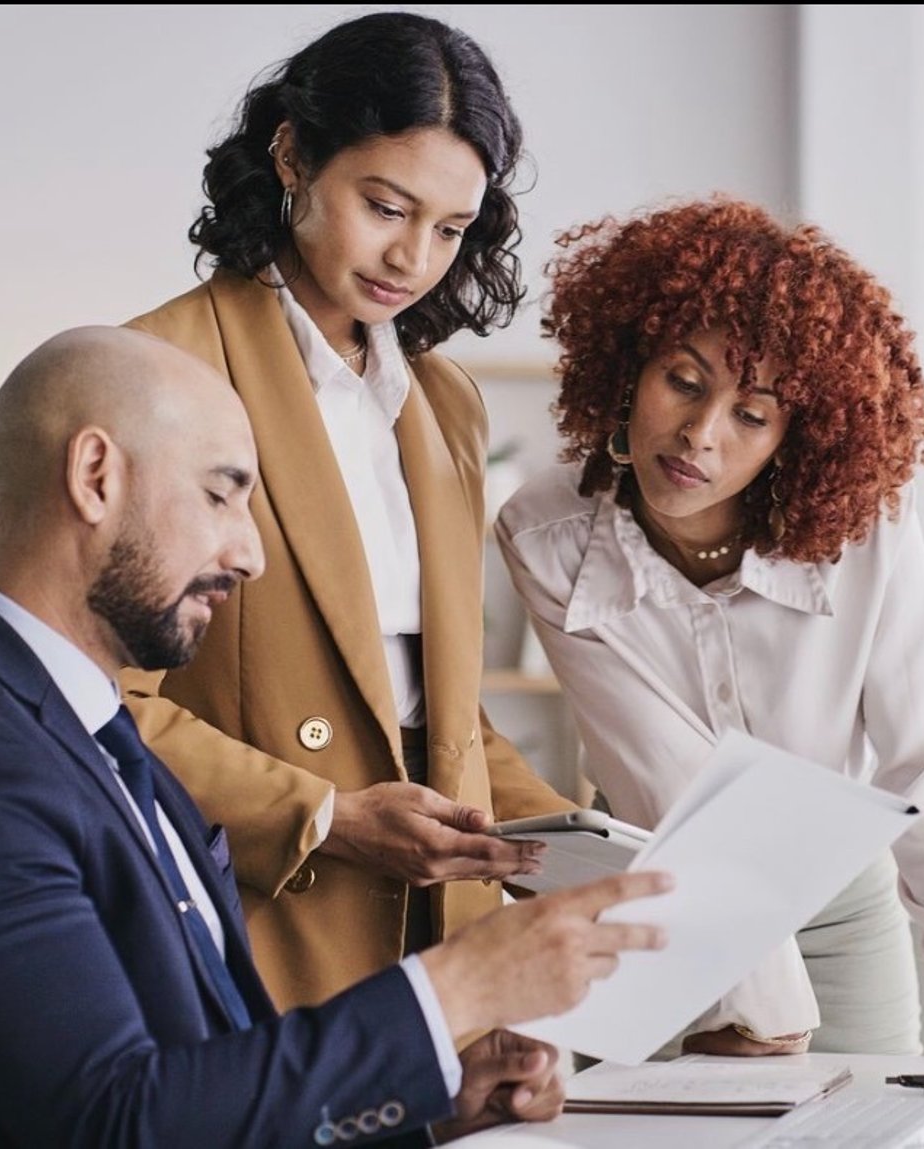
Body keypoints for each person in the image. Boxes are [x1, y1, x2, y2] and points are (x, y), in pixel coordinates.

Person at [0, 326, 671, 1147]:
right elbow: (118, 1124)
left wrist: (431, 1107)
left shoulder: (83, 730)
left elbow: (203, 1093)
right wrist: (456, 990)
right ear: (96, 475)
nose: (251, 555)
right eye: (221, 493)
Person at [495, 198, 924, 1066]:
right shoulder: (546, 533)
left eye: (752, 414)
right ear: (630, 364)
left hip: (843, 903)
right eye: (684, 380)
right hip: (657, 891)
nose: (700, 435)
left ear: (797, 435)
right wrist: (753, 1001)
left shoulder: (869, 530)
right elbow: (658, 770)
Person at [118, 11, 574, 1011]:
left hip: (440, 924)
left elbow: (435, 711)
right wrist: (322, 815)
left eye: (450, 229)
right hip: (260, 914)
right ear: (291, 154)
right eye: (385, 205)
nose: (413, 257)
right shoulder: (162, 374)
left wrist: (586, 850)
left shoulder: (445, 403)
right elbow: (98, 702)